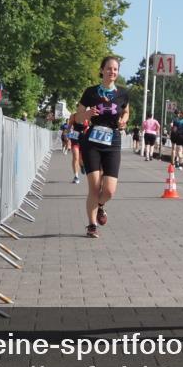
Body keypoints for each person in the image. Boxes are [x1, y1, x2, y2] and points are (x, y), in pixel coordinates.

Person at [72, 56, 130, 239]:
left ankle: (101, 206)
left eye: (115, 69)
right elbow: (77, 117)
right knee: (94, 187)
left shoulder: (123, 93)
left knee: (109, 191)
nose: (112, 72)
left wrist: (123, 121)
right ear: (102, 70)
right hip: (92, 142)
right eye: (109, 68)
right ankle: (91, 225)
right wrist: (87, 113)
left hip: (113, 141)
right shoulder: (91, 92)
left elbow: (126, 111)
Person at [67, 114, 87, 183]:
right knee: (76, 157)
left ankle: (82, 165)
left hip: (84, 139)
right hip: (75, 138)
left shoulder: (88, 116)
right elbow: (69, 127)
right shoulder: (74, 116)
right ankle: (76, 176)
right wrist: (68, 139)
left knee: (81, 159)